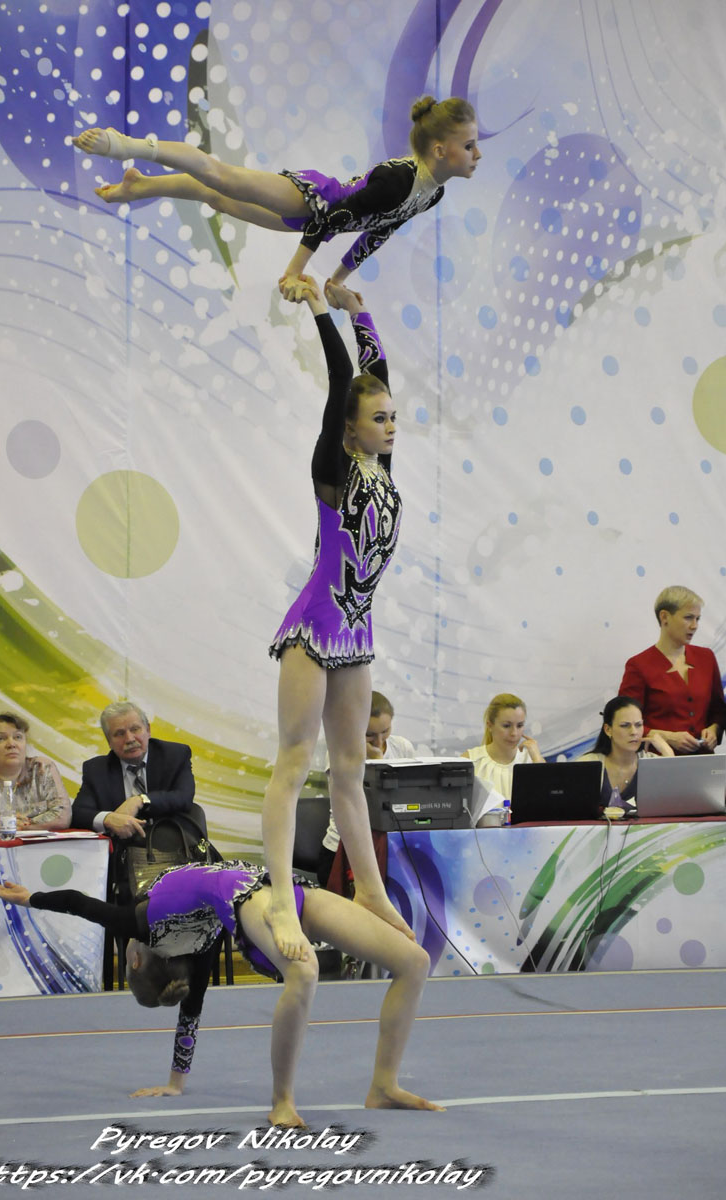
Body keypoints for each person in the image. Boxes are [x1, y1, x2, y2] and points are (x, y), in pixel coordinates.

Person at [0, 863, 441, 1128]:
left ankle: (383, 1087)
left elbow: (190, 1017)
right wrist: (31, 898)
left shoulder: (191, 946)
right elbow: (80, 904)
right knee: (304, 972)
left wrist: (176, 1082)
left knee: (414, 962)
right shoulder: (150, 928)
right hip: (259, 896)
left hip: (281, 889)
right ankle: (282, 1101)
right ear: (135, 960)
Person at [255, 276, 414, 964]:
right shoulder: (334, 468)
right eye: (379, 419)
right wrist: (323, 310)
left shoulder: (383, 469)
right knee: (295, 762)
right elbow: (344, 381)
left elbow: (374, 376)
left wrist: (362, 312)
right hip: (315, 628)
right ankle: (281, 897)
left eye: (393, 417)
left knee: (350, 770)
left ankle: (370, 892)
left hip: (357, 634)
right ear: (350, 428)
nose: (390, 426)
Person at [71, 96, 480, 296]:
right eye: (469, 145)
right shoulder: (398, 180)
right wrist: (293, 272)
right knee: (220, 176)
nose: (477, 154)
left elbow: (378, 232)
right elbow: (334, 217)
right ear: (440, 150)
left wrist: (337, 282)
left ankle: (140, 185)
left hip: (308, 221)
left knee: (217, 198)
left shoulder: (432, 193)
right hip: (313, 199)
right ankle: (127, 145)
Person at [317, 690, 415, 887]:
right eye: (369, 735)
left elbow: (407, 799)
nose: (379, 742)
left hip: (392, 846)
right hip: (343, 851)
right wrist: (376, 760)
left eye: (385, 731)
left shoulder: (402, 747)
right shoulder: (341, 750)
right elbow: (363, 804)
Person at [618, 586, 725, 754]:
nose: (695, 626)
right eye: (688, 618)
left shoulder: (707, 658)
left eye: (698, 619)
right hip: (659, 760)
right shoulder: (638, 665)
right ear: (664, 617)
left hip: (704, 759)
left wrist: (714, 729)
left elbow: (718, 710)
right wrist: (667, 737)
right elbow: (624, 722)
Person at [71, 701, 194, 839]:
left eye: (135, 729)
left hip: (171, 843)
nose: (129, 739)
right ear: (109, 742)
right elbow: (78, 813)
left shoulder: (174, 755)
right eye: (119, 733)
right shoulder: (97, 770)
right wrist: (108, 818)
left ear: (148, 730)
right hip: (122, 848)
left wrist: (140, 800)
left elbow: (183, 797)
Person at [579, 695, 674, 812]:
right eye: (625, 725)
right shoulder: (586, 764)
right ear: (608, 729)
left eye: (638, 725)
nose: (634, 732)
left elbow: (675, 802)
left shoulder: (654, 763)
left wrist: (668, 752)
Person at [464, 693, 545, 801]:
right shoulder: (470, 761)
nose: (514, 733)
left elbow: (550, 802)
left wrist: (537, 759)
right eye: (506, 726)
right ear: (490, 725)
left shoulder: (532, 761)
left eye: (520, 725)